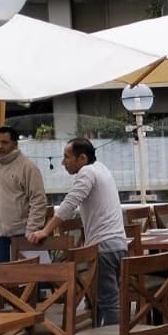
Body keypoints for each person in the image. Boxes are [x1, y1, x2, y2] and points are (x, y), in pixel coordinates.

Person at [29, 138, 127, 325]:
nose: (63, 162)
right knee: (101, 299)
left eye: (66, 157)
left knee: (108, 302)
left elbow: (69, 204)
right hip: (118, 243)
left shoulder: (87, 173)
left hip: (103, 246)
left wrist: (45, 231)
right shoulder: (101, 169)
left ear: (82, 158)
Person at [0, 125, 47, 265]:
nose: (0, 146)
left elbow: (39, 200)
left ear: (15, 144)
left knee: (35, 280)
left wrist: (31, 231)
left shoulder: (28, 167)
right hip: (0, 235)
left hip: (24, 235)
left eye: (5, 142)